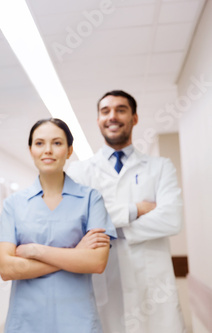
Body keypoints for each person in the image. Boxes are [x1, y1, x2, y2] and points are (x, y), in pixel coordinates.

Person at [68, 90, 185, 333]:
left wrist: (108, 228)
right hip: (103, 285)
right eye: (105, 111)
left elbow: (171, 220)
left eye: (121, 110)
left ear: (134, 118)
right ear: (99, 119)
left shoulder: (160, 167)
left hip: (152, 288)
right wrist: (135, 210)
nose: (113, 116)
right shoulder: (79, 172)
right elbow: (75, 224)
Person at [0, 118, 117, 332]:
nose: (48, 150)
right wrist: (76, 254)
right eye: (40, 143)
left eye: (57, 143)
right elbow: (6, 268)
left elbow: (97, 263)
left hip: (77, 320)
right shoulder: (14, 205)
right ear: (31, 149)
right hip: (27, 321)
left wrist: (35, 250)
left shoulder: (91, 199)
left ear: (69, 150)